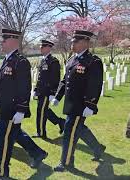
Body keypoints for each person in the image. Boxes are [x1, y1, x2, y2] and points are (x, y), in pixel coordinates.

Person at [0, 29, 47, 178]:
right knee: (15, 134)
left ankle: (1, 172)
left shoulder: (20, 62)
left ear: (13, 41)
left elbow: (24, 87)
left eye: (4, 39)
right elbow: (2, 86)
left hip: (12, 109)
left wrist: (21, 110)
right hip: (5, 107)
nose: (1, 42)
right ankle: (38, 153)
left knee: (3, 141)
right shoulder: (7, 60)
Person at [51, 30, 106, 172]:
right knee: (79, 130)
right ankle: (98, 148)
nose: (72, 43)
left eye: (75, 41)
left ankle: (66, 163)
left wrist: (91, 105)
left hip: (81, 106)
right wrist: (57, 96)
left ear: (85, 42)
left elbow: (95, 85)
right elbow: (65, 81)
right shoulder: (72, 59)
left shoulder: (93, 61)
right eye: (72, 41)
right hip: (70, 104)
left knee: (69, 134)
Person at [32, 40, 65, 139]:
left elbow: (55, 78)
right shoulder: (43, 60)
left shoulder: (53, 61)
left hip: (47, 92)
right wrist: (36, 90)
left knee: (41, 112)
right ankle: (61, 122)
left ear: (48, 48)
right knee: (44, 111)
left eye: (42, 47)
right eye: (40, 47)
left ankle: (41, 133)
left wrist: (53, 93)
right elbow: (40, 77)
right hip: (41, 91)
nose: (40, 48)